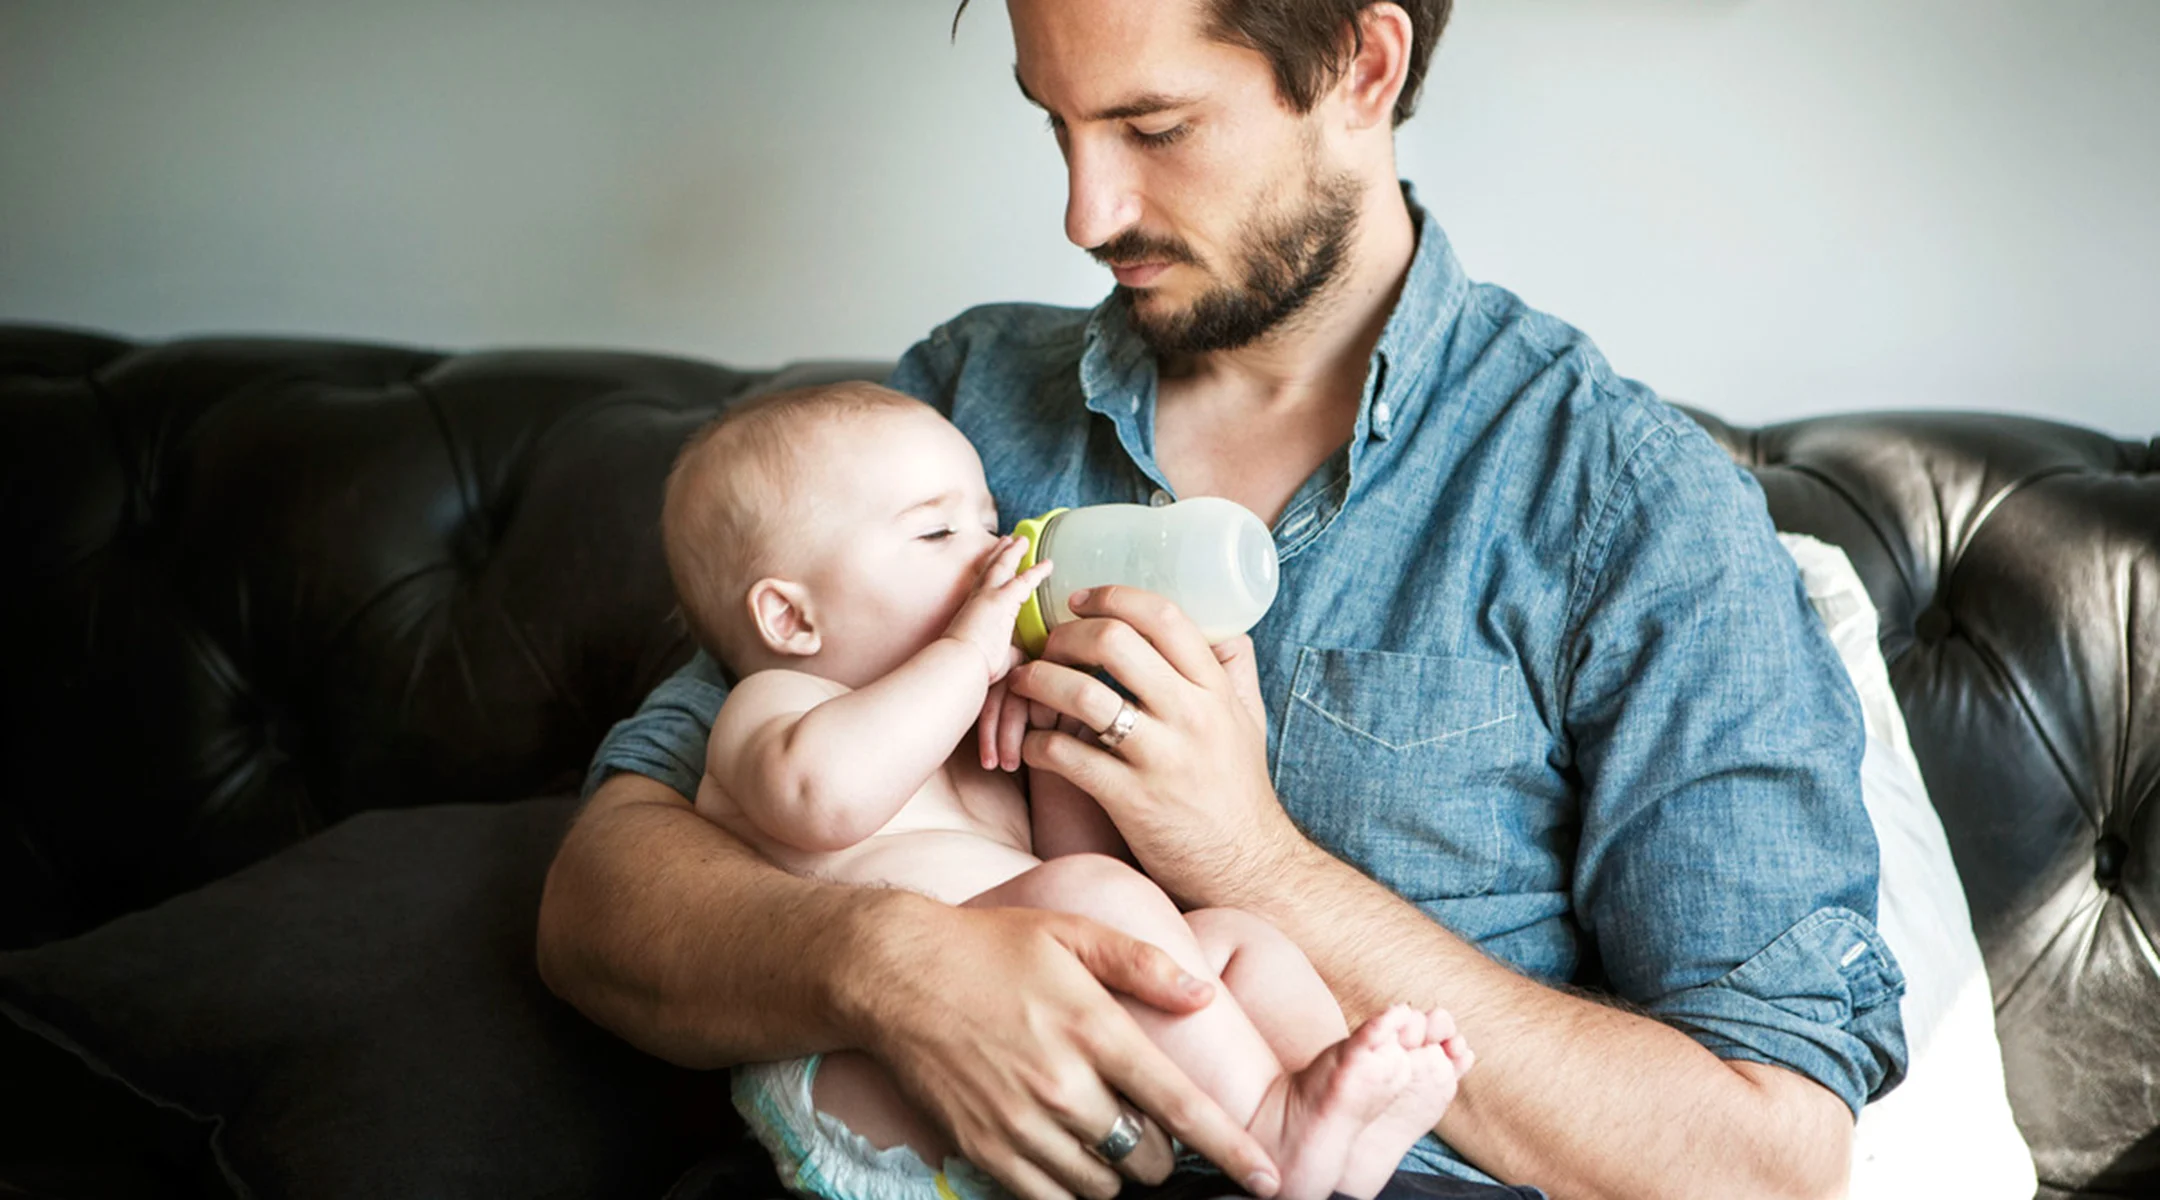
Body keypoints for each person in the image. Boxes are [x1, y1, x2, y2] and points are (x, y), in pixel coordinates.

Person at [538, 2, 1908, 1198]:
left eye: (1154, 126)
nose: (1085, 213)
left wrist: (1253, 864)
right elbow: (604, 898)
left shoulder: (1625, 505)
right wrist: (885, 960)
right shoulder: (951, 419)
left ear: (1364, 68)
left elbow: (1770, 1160)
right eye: (1055, 126)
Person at [660, 382, 1473, 1200]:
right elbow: (824, 802)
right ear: (790, 620)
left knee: (1229, 937)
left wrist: (1065, 752)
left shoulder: (974, 724)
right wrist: (968, 659)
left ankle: (1333, 1125)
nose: (994, 556)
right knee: (1093, 896)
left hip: (1054, 1052)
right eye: (937, 532)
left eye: (987, 520)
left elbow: (1074, 873)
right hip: (871, 1077)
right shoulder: (777, 706)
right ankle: (1269, 1125)